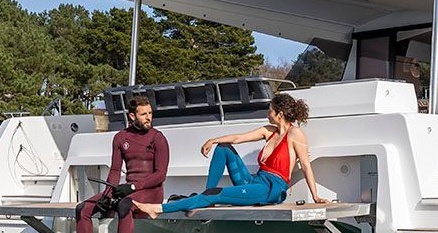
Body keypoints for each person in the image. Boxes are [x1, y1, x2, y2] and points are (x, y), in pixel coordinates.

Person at [133, 92, 328, 219]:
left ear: (279, 113)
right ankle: (206, 197)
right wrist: (213, 140)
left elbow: (306, 165)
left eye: (270, 110)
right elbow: (237, 138)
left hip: (271, 190)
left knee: (214, 194)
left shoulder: (295, 135)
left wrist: (316, 196)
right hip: (254, 181)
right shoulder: (269, 131)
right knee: (223, 148)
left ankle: (157, 209)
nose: (267, 113)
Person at [66, 98, 169, 233]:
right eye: (143, 114)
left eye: (150, 113)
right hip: (129, 190)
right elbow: (114, 170)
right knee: (83, 208)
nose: (148, 118)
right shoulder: (121, 137)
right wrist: (108, 194)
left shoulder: (158, 138)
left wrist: (131, 188)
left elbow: (160, 175)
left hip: (151, 192)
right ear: (132, 116)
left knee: (124, 204)